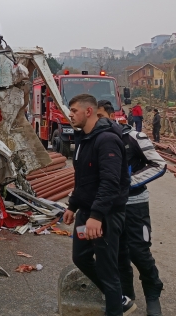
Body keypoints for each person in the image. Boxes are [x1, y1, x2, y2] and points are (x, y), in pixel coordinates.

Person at [62, 94, 131, 316]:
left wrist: (97, 216)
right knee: (80, 257)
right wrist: (73, 206)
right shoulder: (84, 138)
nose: (70, 115)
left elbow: (110, 183)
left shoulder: (107, 140)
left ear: (88, 111)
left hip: (106, 216)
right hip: (87, 213)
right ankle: (118, 298)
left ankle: (115, 306)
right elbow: (82, 178)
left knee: (107, 268)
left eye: (74, 110)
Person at [97, 100, 166, 316]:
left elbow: (159, 165)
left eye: (99, 116)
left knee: (139, 251)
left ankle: (153, 293)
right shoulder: (93, 140)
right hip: (108, 207)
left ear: (110, 114)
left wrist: (126, 183)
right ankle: (125, 297)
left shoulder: (133, 137)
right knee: (116, 254)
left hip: (135, 204)